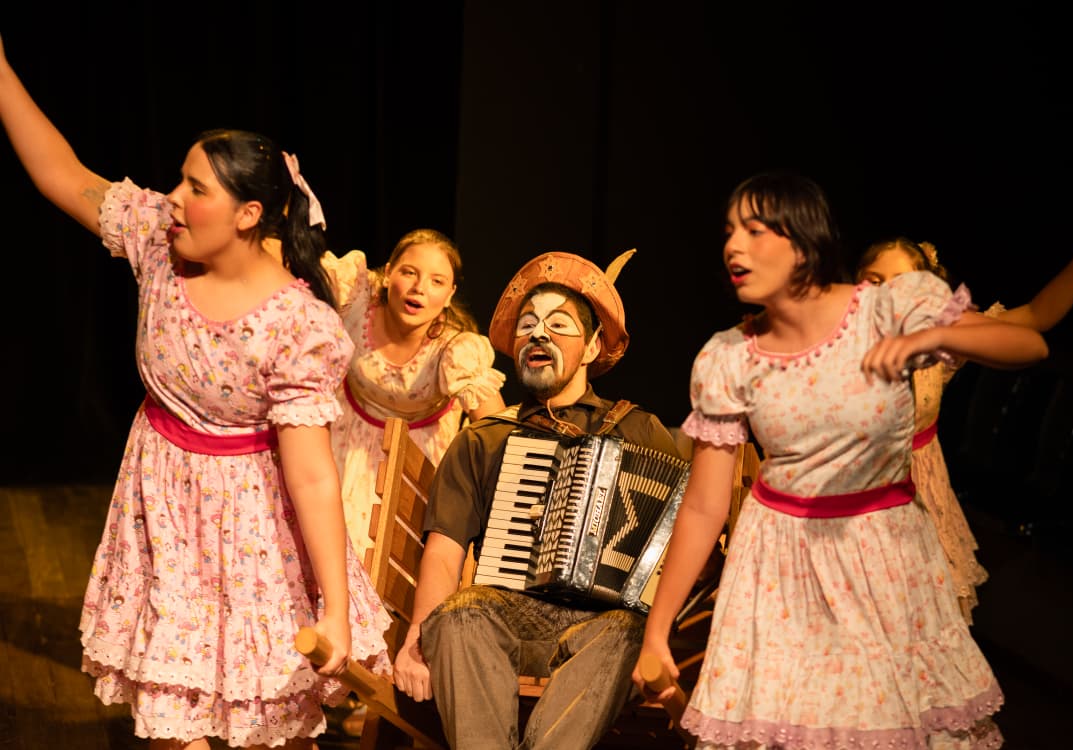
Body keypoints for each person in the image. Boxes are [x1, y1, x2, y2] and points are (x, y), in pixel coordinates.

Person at [0, 37, 391, 748]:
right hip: (164, 502)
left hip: (250, 528)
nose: (173, 199)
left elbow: (311, 475)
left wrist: (335, 610)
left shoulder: (296, 326)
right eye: (180, 180)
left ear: (248, 214)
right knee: (173, 722)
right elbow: (60, 172)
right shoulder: (158, 239)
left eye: (197, 189)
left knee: (264, 722)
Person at [635, 172, 1050, 748]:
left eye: (754, 231)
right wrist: (657, 631)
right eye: (729, 232)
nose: (733, 247)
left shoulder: (888, 308)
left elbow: (1030, 345)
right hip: (777, 567)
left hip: (882, 556)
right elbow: (704, 506)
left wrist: (932, 338)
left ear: (803, 241)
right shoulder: (727, 358)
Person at [392, 250, 683, 749]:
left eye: (558, 325)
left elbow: (682, 536)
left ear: (592, 347)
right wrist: (419, 636)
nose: (538, 335)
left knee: (629, 627)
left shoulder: (640, 431)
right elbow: (444, 550)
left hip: (600, 630)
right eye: (527, 325)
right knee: (460, 613)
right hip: (508, 620)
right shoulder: (484, 439)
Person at [856, 211, 1073, 622]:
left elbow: (1035, 319)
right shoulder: (833, 343)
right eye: (876, 281)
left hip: (917, 505)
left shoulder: (939, 342)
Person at [320, 229, 506, 562]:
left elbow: (496, 430)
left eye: (437, 281)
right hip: (344, 443)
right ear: (388, 273)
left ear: (449, 295)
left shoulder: (453, 349)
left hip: (414, 463)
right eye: (409, 273)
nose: (420, 287)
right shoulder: (357, 302)